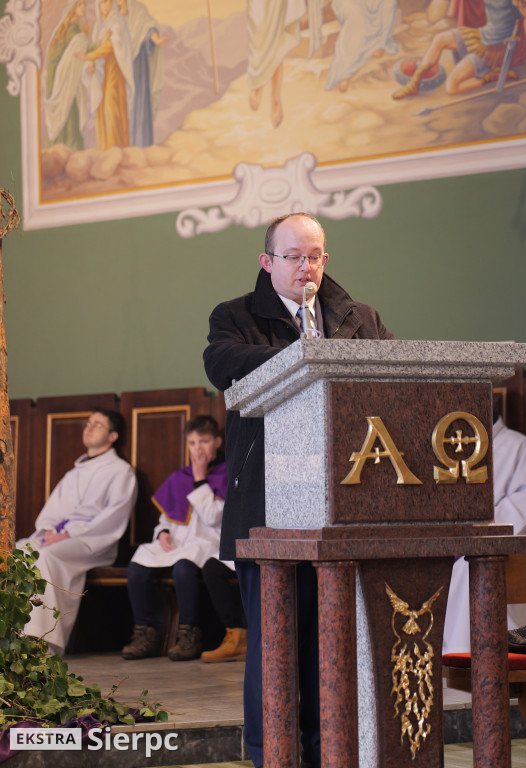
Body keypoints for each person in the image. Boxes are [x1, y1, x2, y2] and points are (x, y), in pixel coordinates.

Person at [203, 212, 394, 768]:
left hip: (347, 505)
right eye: (294, 257)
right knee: (276, 649)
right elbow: (224, 365)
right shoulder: (236, 316)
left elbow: (389, 382)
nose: (306, 268)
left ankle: (335, 753)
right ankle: (274, 757)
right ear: (267, 262)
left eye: (315, 256)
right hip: (268, 505)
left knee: (336, 648)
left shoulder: (360, 318)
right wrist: (308, 360)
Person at [122, 415, 246, 662]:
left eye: (204, 441)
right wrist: (162, 533)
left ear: (218, 442)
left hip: (207, 541)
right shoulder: (180, 478)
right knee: (137, 566)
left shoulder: (226, 474)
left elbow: (212, 517)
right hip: (178, 541)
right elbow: (167, 518)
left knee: (183, 569)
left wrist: (201, 479)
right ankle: (145, 633)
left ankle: (189, 634)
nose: (197, 448)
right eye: (192, 443)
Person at [16, 409, 137, 656]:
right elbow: (51, 512)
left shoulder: (121, 471)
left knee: (46, 557)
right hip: (59, 538)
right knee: (19, 551)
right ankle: (15, 633)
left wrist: (69, 533)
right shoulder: (73, 474)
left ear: (113, 436)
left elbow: (114, 515)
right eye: (88, 423)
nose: (89, 428)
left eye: (97, 425)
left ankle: (41, 640)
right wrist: (49, 530)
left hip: (92, 542)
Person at [443, 407, 526, 653]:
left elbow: (522, 506)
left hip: (501, 551)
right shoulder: (448, 446)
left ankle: (473, 658)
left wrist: (476, 533)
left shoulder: (517, 446)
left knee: (469, 571)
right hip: (449, 546)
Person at [393, 0, 526, 100]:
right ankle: (414, 84)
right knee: (439, 39)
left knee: (452, 87)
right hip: (481, 35)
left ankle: (490, 76)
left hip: (496, 49)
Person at [78, 0, 134, 150]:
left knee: (112, 109)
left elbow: (110, 45)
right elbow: (98, 43)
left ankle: (116, 148)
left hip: (114, 70)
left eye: (108, 2)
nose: (105, 6)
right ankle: (104, 149)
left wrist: (90, 56)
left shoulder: (117, 20)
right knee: (101, 111)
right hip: (101, 73)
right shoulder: (99, 25)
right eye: (102, 3)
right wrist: (91, 65)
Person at [117, 0, 168, 147]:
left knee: (138, 106)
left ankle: (140, 144)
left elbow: (148, 28)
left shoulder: (138, 10)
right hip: (119, 68)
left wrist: (156, 39)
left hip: (137, 67)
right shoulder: (112, 13)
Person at [44, 0, 89, 150]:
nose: (83, 8)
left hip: (56, 74)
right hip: (62, 74)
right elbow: (78, 52)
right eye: (80, 5)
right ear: (73, 8)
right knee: (70, 109)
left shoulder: (65, 27)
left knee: (68, 108)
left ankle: (59, 149)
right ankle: (69, 148)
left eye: (84, 5)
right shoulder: (75, 31)